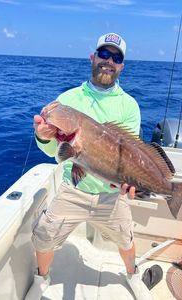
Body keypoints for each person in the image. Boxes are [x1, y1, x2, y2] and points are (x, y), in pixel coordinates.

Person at [25, 33, 152, 300]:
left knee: (126, 240)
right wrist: (42, 136)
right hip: (74, 189)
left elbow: (129, 154)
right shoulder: (68, 98)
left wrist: (132, 184)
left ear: (122, 66)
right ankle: (42, 278)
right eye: (104, 54)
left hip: (110, 194)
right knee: (45, 235)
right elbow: (54, 152)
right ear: (93, 57)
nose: (109, 61)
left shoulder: (129, 105)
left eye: (116, 57)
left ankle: (133, 275)